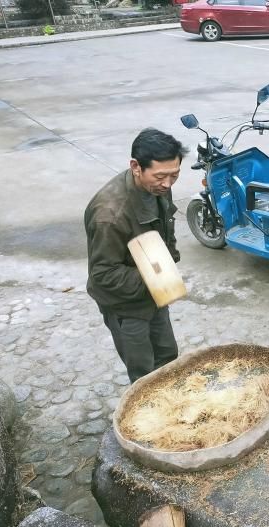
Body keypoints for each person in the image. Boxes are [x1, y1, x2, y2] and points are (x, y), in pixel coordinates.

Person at [85, 128, 187, 383]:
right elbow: (103, 275)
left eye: (174, 175)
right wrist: (158, 275)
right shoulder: (110, 215)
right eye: (161, 176)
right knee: (144, 371)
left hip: (153, 293)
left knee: (167, 355)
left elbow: (165, 226)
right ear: (136, 166)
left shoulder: (158, 187)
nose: (167, 183)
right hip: (125, 306)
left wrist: (167, 263)